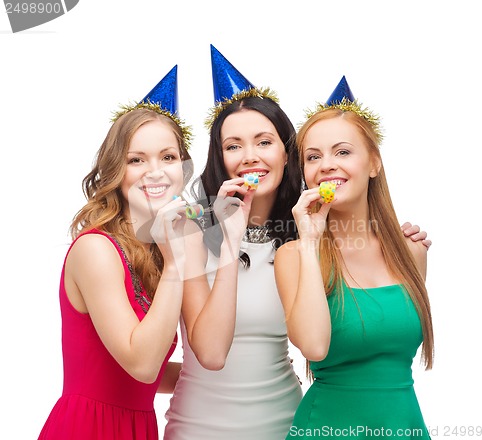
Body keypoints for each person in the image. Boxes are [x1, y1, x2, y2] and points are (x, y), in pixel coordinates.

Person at [162, 47, 430, 440]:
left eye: (264, 142)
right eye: (233, 145)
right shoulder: (192, 233)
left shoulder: (302, 240)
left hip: (283, 421)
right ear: (219, 157)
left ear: (288, 157)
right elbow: (210, 354)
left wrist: (390, 242)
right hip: (200, 428)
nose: (249, 157)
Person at [38, 66, 194, 440]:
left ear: (183, 169)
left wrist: (245, 371)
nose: (154, 172)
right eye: (136, 159)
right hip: (87, 429)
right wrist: (176, 263)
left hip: (136, 426)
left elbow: (144, 377)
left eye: (168, 157)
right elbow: (141, 363)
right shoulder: (96, 249)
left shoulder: (156, 250)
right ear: (115, 170)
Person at [274, 76, 433, 439]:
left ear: (374, 163)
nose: (327, 164)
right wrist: (311, 240)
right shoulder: (294, 256)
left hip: (404, 425)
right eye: (313, 157)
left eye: (342, 152)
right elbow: (313, 346)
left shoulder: (411, 252)